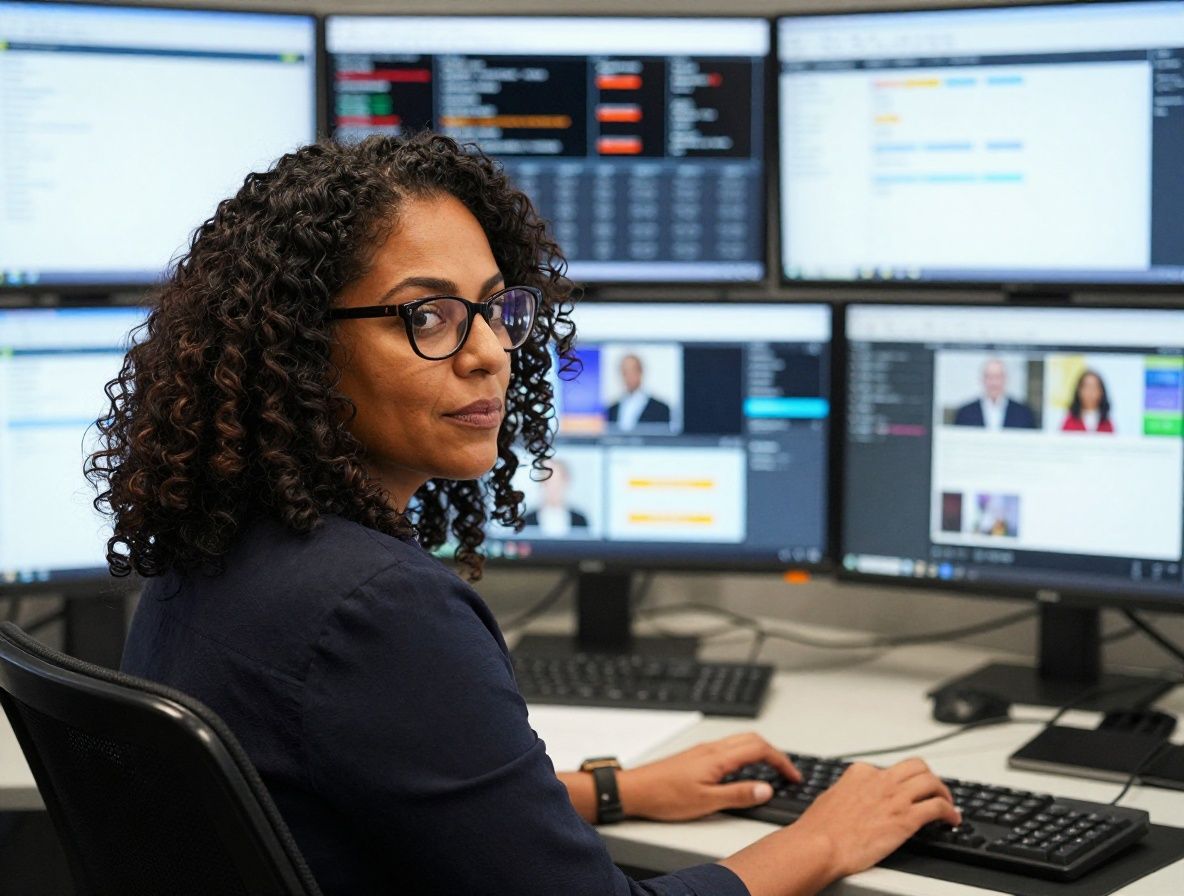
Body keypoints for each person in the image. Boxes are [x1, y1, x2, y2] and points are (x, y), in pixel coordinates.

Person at [89, 134, 959, 896]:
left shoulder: (214, 548)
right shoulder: (378, 607)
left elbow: (351, 800)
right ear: (299, 345)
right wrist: (823, 840)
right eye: (428, 316)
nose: (492, 353)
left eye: (497, 309)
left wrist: (614, 791)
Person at [953, 357, 1037, 429]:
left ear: (1005, 379)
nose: (994, 383)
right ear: (982, 379)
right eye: (989, 377)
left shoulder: (1023, 413)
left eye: (998, 377)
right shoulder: (965, 413)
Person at [522, 457, 591, 535]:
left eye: (557, 482)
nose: (553, 489)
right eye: (548, 483)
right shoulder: (527, 520)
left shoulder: (580, 521)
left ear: (566, 483)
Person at [607, 353, 672, 430]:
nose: (628, 377)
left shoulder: (660, 409)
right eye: (624, 372)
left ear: (640, 372)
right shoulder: (611, 410)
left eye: (632, 371)